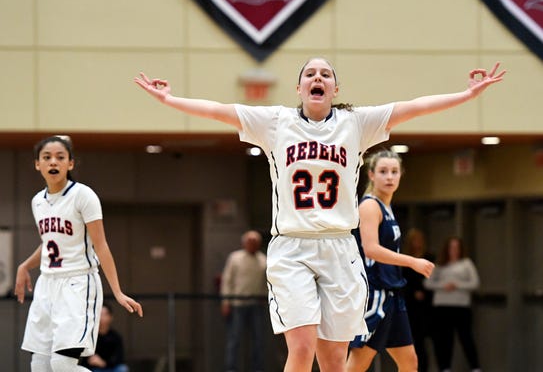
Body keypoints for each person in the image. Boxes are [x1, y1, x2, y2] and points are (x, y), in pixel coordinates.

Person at [134, 58, 504, 372]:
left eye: (325, 74)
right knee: (302, 345)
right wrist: (168, 99)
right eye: (310, 74)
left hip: (341, 247)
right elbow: (218, 110)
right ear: (298, 88)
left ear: (335, 89)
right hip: (292, 247)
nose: (317, 78)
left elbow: (415, 107)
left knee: (332, 356)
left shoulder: (356, 123)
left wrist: (468, 95)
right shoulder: (275, 122)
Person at [14, 135, 143, 372]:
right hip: (47, 285)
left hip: (78, 283)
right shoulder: (37, 202)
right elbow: (50, 242)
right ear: (37, 164)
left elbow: (100, 245)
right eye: (47, 157)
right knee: (39, 365)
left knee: (62, 364)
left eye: (60, 157)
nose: (53, 162)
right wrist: (25, 266)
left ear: (70, 164)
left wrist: (117, 291)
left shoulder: (83, 195)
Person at [346, 150, 435, 372]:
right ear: (371, 175)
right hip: (375, 292)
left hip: (393, 292)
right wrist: (412, 262)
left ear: (400, 175)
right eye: (383, 171)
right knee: (358, 364)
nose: (389, 177)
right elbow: (371, 249)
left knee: (409, 361)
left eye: (394, 172)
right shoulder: (369, 206)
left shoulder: (387, 207)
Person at [423, 237, 482, 372]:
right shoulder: (440, 265)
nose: (454, 250)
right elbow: (427, 283)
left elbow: (475, 283)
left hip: (461, 306)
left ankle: (476, 367)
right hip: (442, 307)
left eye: (456, 247)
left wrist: (458, 285)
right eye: (451, 247)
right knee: (444, 339)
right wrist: (443, 286)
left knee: (466, 338)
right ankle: (445, 368)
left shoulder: (466, 263)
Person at [221, 230, 267, 372]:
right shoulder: (235, 258)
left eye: (255, 242)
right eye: (249, 241)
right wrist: (226, 301)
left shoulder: (264, 259)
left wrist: (265, 297)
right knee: (234, 339)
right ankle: (231, 368)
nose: (252, 244)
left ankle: (257, 368)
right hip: (237, 304)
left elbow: (266, 282)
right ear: (244, 243)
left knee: (258, 340)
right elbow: (227, 280)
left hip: (256, 304)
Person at [403, 228, 435, 372]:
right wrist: (412, 293)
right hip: (411, 306)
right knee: (415, 343)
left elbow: (436, 280)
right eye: (414, 240)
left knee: (430, 341)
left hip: (429, 305)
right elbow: (402, 282)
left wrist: (426, 291)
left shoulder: (430, 257)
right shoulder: (405, 259)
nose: (417, 243)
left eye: (420, 239)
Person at [80, 302, 129, 372]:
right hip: (95, 368)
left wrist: (104, 363)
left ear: (111, 317)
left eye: (105, 314)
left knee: (122, 368)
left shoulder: (116, 337)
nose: (102, 318)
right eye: (100, 314)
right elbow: (84, 359)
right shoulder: (89, 336)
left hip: (111, 368)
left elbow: (119, 358)